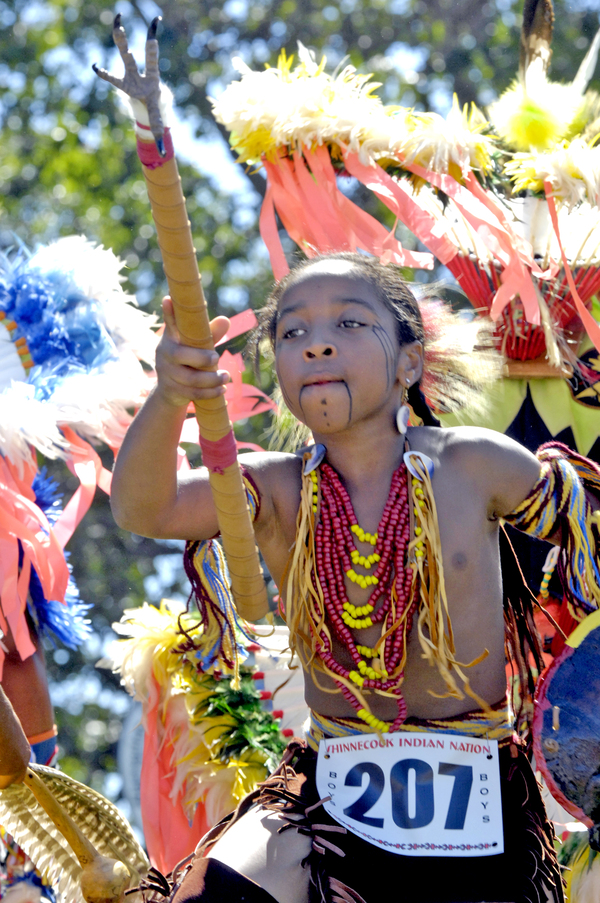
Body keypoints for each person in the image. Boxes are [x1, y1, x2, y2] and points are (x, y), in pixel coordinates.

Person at [111, 253, 583, 903]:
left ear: (410, 361)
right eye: (293, 332)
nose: (318, 341)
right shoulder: (276, 489)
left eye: (351, 322)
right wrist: (169, 397)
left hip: (474, 795)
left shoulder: (476, 465)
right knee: (222, 892)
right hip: (327, 790)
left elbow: (583, 523)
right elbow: (146, 506)